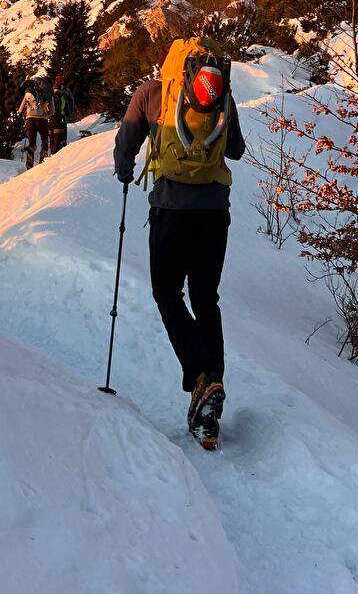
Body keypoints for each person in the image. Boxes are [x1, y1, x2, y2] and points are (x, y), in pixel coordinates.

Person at [113, 38, 245, 447]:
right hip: (214, 213)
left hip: (171, 210)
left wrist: (124, 171)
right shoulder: (221, 97)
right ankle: (211, 395)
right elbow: (237, 150)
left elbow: (126, 144)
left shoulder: (152, 94)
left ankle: (201, 375)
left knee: (167, 292)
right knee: (206, 298)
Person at [17, 78, 52, 168]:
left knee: (31, 143)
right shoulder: (47, 92)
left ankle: (29, 165)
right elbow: (52, 111)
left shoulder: (29, 92)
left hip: (30, 120)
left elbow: (20, 110)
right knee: (44, 141)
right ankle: (42, 162)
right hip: (43, 120)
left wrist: (24, 111)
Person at [50, 75, 75, 154]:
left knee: (52, 138)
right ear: (62, 81)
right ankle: (60, 154)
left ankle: (51, 155)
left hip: (50, 117)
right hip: (61, 116)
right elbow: (70, 102)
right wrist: (68, 113)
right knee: (62, 136)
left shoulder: (50, 90)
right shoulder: (65, 91)